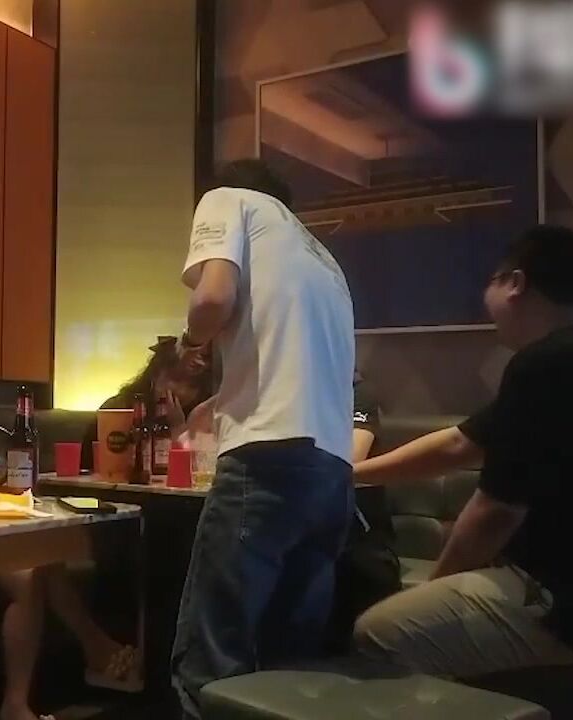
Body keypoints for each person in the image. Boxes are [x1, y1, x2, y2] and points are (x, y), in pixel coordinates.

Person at [352, 225, 573, 678]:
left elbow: (495, 512)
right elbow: (461, 443)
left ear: (515, 283)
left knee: (377, 632)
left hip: (567, 604)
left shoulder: (547, 363)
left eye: (491, 282)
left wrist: (437, 588)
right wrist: (351, 474)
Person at [170, 159, 356, 718]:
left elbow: (211, 299)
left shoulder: (229, 199)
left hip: (268, 457)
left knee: (212, 658)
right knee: (288, 668)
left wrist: (190, 342)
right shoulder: (324, 261)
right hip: (332, 473)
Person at [0, 324, 139, 720]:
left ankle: (40, 686)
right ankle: (70, 666)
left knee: (43, 557)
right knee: (31, 571)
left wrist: (0, 481)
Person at [82, 336, 215, 469]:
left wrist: (179, 430)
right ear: (155, 376)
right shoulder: (119, 409)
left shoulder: (206, 416)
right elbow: (86, 462)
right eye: (176, 379)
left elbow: (201, 470)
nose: (182, 391)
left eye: (192, 385)